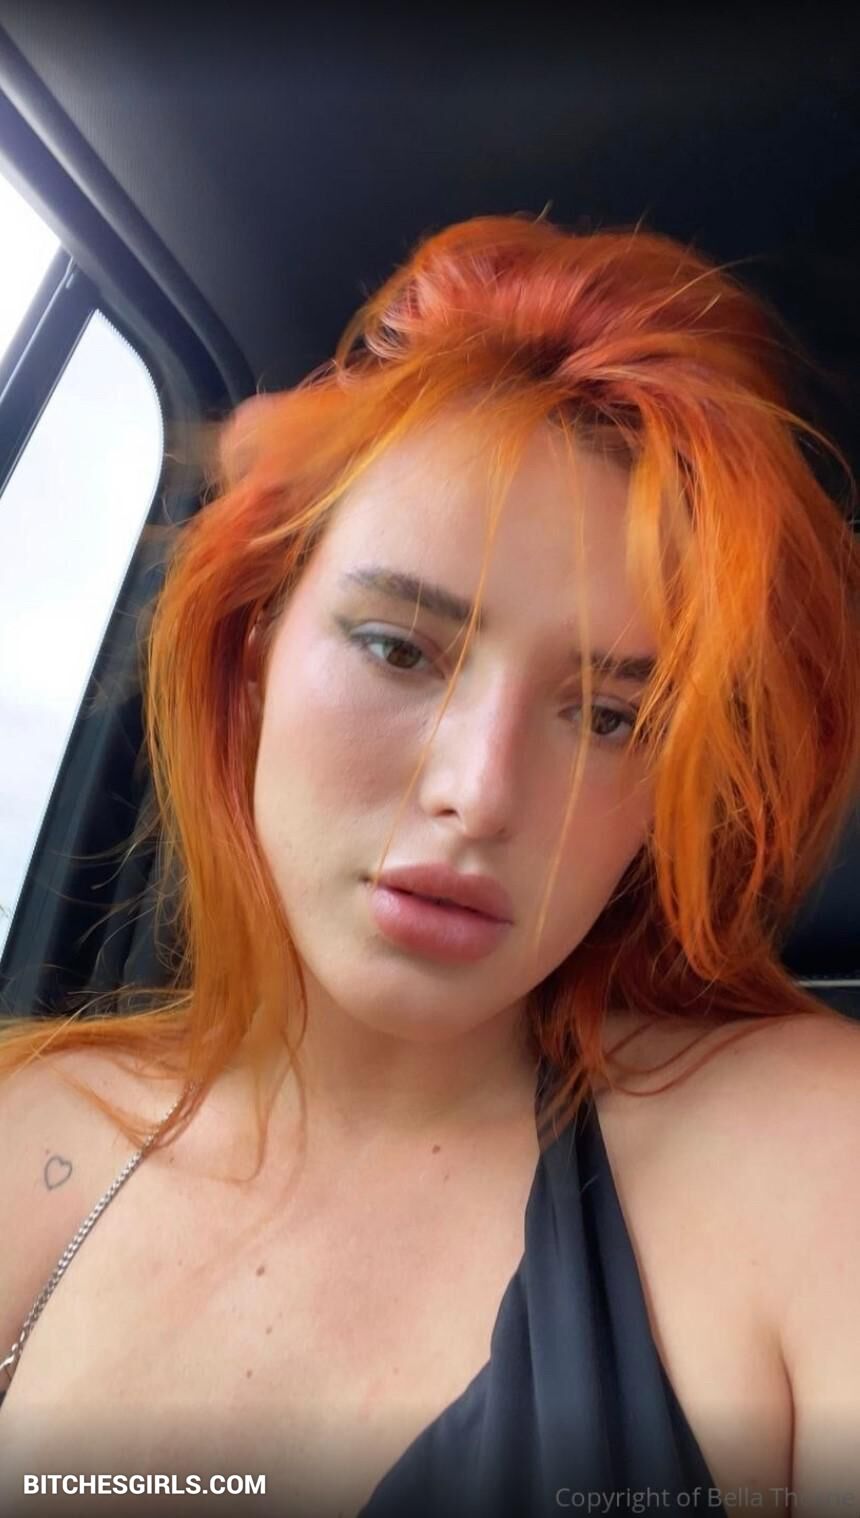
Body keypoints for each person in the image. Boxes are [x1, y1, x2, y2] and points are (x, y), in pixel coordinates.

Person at [1, 212, 859, 1518]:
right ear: (254, 653)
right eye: (400, 649)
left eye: (609, 715)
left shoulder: (799, 1154)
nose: (480, 793)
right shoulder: (35, 1132)